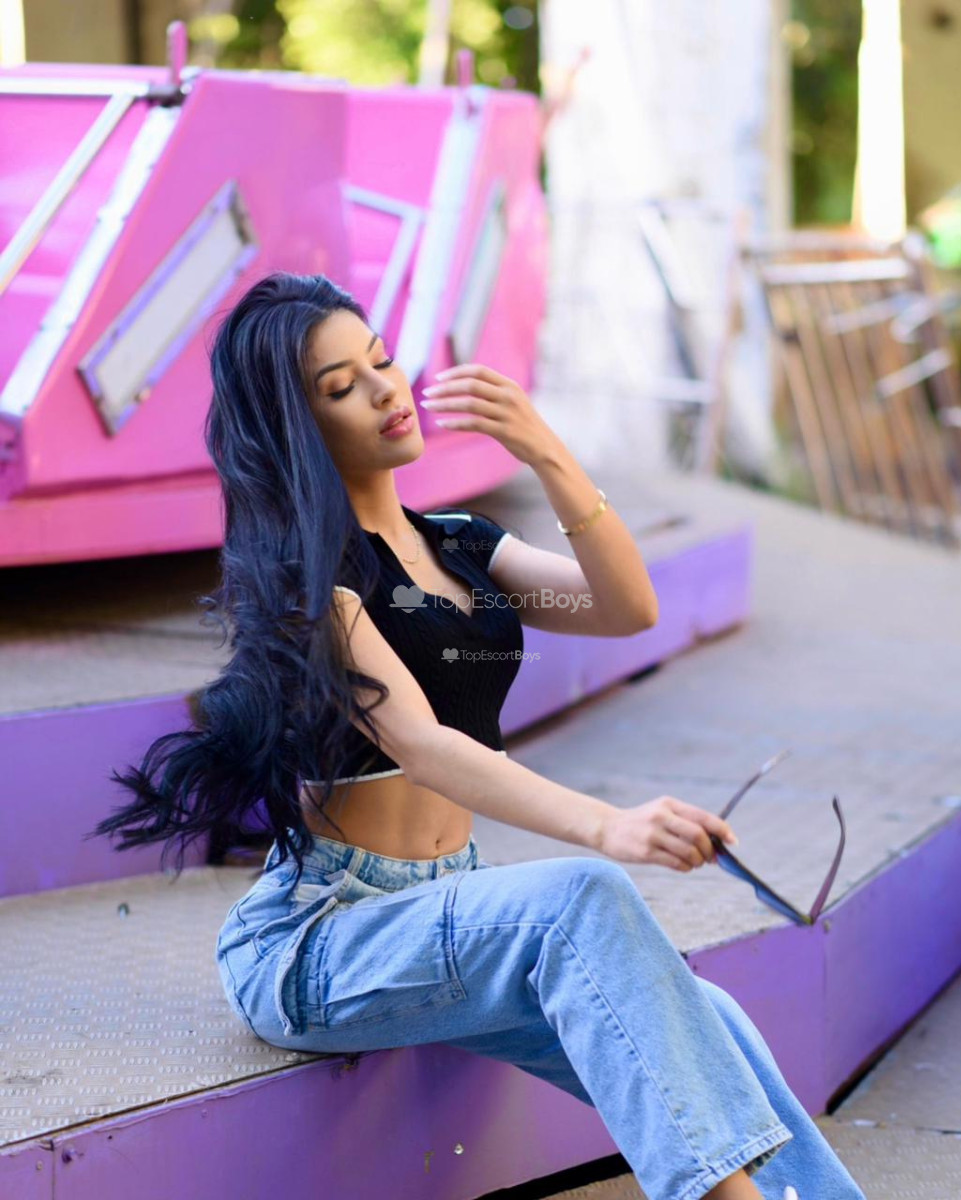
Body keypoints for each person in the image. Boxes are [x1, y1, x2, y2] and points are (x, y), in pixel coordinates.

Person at [87, 273, 867, 1200]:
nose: (385, 390)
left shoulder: (461, 546)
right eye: (340, 387)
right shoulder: (309, 578)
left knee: (712, 1020)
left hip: (448, 905)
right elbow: (422, 745)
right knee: (581, 898)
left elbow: (624, 606)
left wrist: (544, 450)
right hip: (325, 937)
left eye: (381, 360)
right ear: (299, 426)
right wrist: (607, 825)